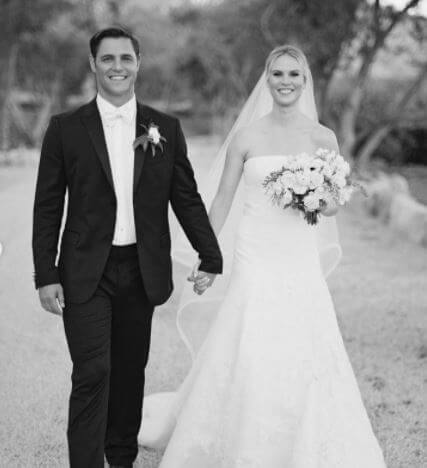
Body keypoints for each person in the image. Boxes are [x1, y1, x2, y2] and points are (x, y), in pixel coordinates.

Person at [139, 45, 386, 467]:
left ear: (304, 81)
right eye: (277, 74)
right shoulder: (247, 137)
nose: (285, 82)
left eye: (293, 75)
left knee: (303, 336)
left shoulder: (322, 137)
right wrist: (207, 256)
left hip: (297, 254)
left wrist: (316, 197)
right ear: (267, 80)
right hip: (254, 250)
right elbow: (221, 201)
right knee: (250, 333)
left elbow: (332, 204)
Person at [32, 27, 222, 468]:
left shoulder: (166, 129)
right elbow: (46, 208)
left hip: (141, 268)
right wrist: (46, 274)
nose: (117, 66)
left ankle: (120, 458)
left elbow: (186, 198)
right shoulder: (65, 129)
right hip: (84, 270)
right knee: (92, 371)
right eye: (107, 59)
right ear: (93, 65)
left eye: (125, 58)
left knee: (129, 371)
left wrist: (210, 254)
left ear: (138, 63)